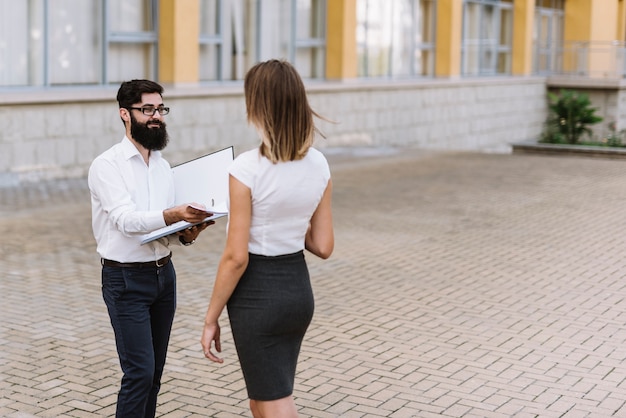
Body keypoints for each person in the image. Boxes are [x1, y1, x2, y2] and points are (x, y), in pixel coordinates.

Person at [200, 59, 334, 418]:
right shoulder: (319, 164)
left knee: (274, 401)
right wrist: (288, 221)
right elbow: (323, 245)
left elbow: (236, 257)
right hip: (297, 292)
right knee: (262, 398)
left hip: (258, 296)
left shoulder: (246, 168)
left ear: (258, 107)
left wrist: (210, 317)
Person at [88, 79, 214, 418]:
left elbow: (162, 228)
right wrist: (174, 213)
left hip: (163, 278)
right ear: (125, 115)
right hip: (125, 281)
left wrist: (187, 233)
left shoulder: (162, 166)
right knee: (139, 373)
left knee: (154, 374)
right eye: (147, 109)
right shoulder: (107, 165)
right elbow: (126, 221)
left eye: (160, 109)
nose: (156, 116)